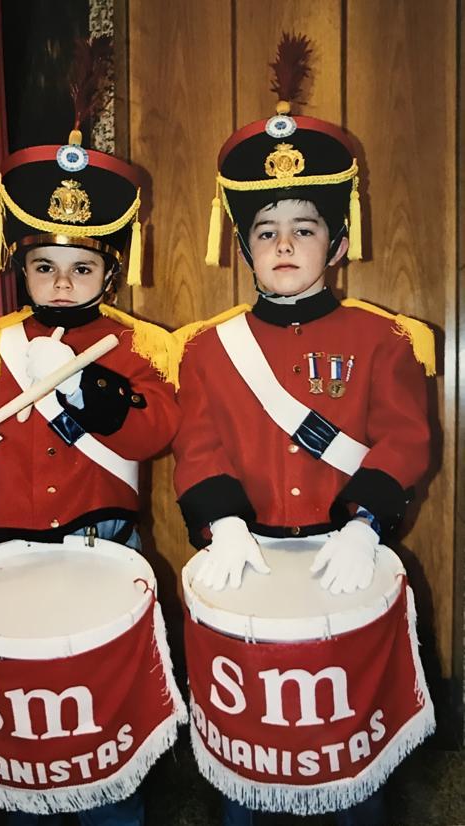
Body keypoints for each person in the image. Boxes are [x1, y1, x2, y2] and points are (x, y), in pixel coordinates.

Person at [172, 47, 434, 826]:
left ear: (338, 243)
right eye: (265, 230)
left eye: (305, 227)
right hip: (247, 560)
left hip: (342, 563)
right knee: (245, 768)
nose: (284, 245)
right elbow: (199, 445)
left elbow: (403, 439)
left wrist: (364, 526)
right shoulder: (207, 349)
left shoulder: (383, 340)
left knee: (354, 764)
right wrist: (221, 522)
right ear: (245, 247)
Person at [0, 131, 180, 826]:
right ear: (19, 266)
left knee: (107, 751)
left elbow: (157, 429)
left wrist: (97, 396)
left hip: (106, 558)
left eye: (81, 267)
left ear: (109, 273)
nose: (60, 282)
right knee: (29, 755)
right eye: (44, 264)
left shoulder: (140, 347)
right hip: (10, 571)